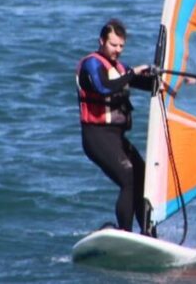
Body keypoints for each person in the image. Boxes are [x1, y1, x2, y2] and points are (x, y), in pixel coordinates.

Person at [75, 18, 155, 234]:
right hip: (96, 136)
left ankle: (149, 235)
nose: (117, 50)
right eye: (113, 45)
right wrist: (131, 73)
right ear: (102, 41)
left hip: (117, 137)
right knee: (127, 176)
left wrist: (170, 79)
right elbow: (103, 88)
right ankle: (125, 233)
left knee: (144, 177)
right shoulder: (91, 64)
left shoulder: (120, 68)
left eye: (121, 46)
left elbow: (147, 85)